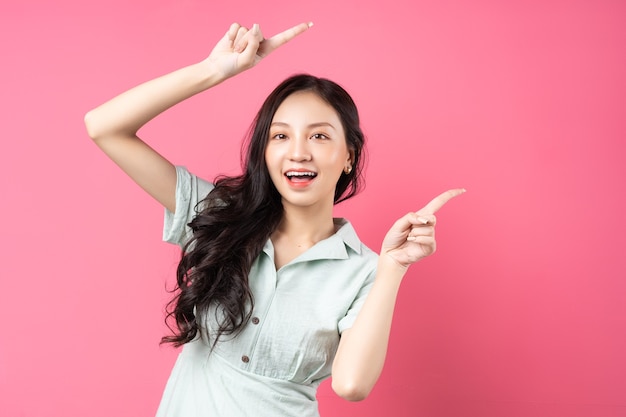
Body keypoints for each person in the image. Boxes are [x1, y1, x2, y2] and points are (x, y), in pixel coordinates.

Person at [84, 21, 464, 417]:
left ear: (349, 155)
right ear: (265, 151)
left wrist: (393, 267)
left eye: (318, 136)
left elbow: (351, 384)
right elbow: (104, 127)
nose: (298, 152)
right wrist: (213, 71)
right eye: (281, 136)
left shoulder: (366, 270)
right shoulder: (220, 218)